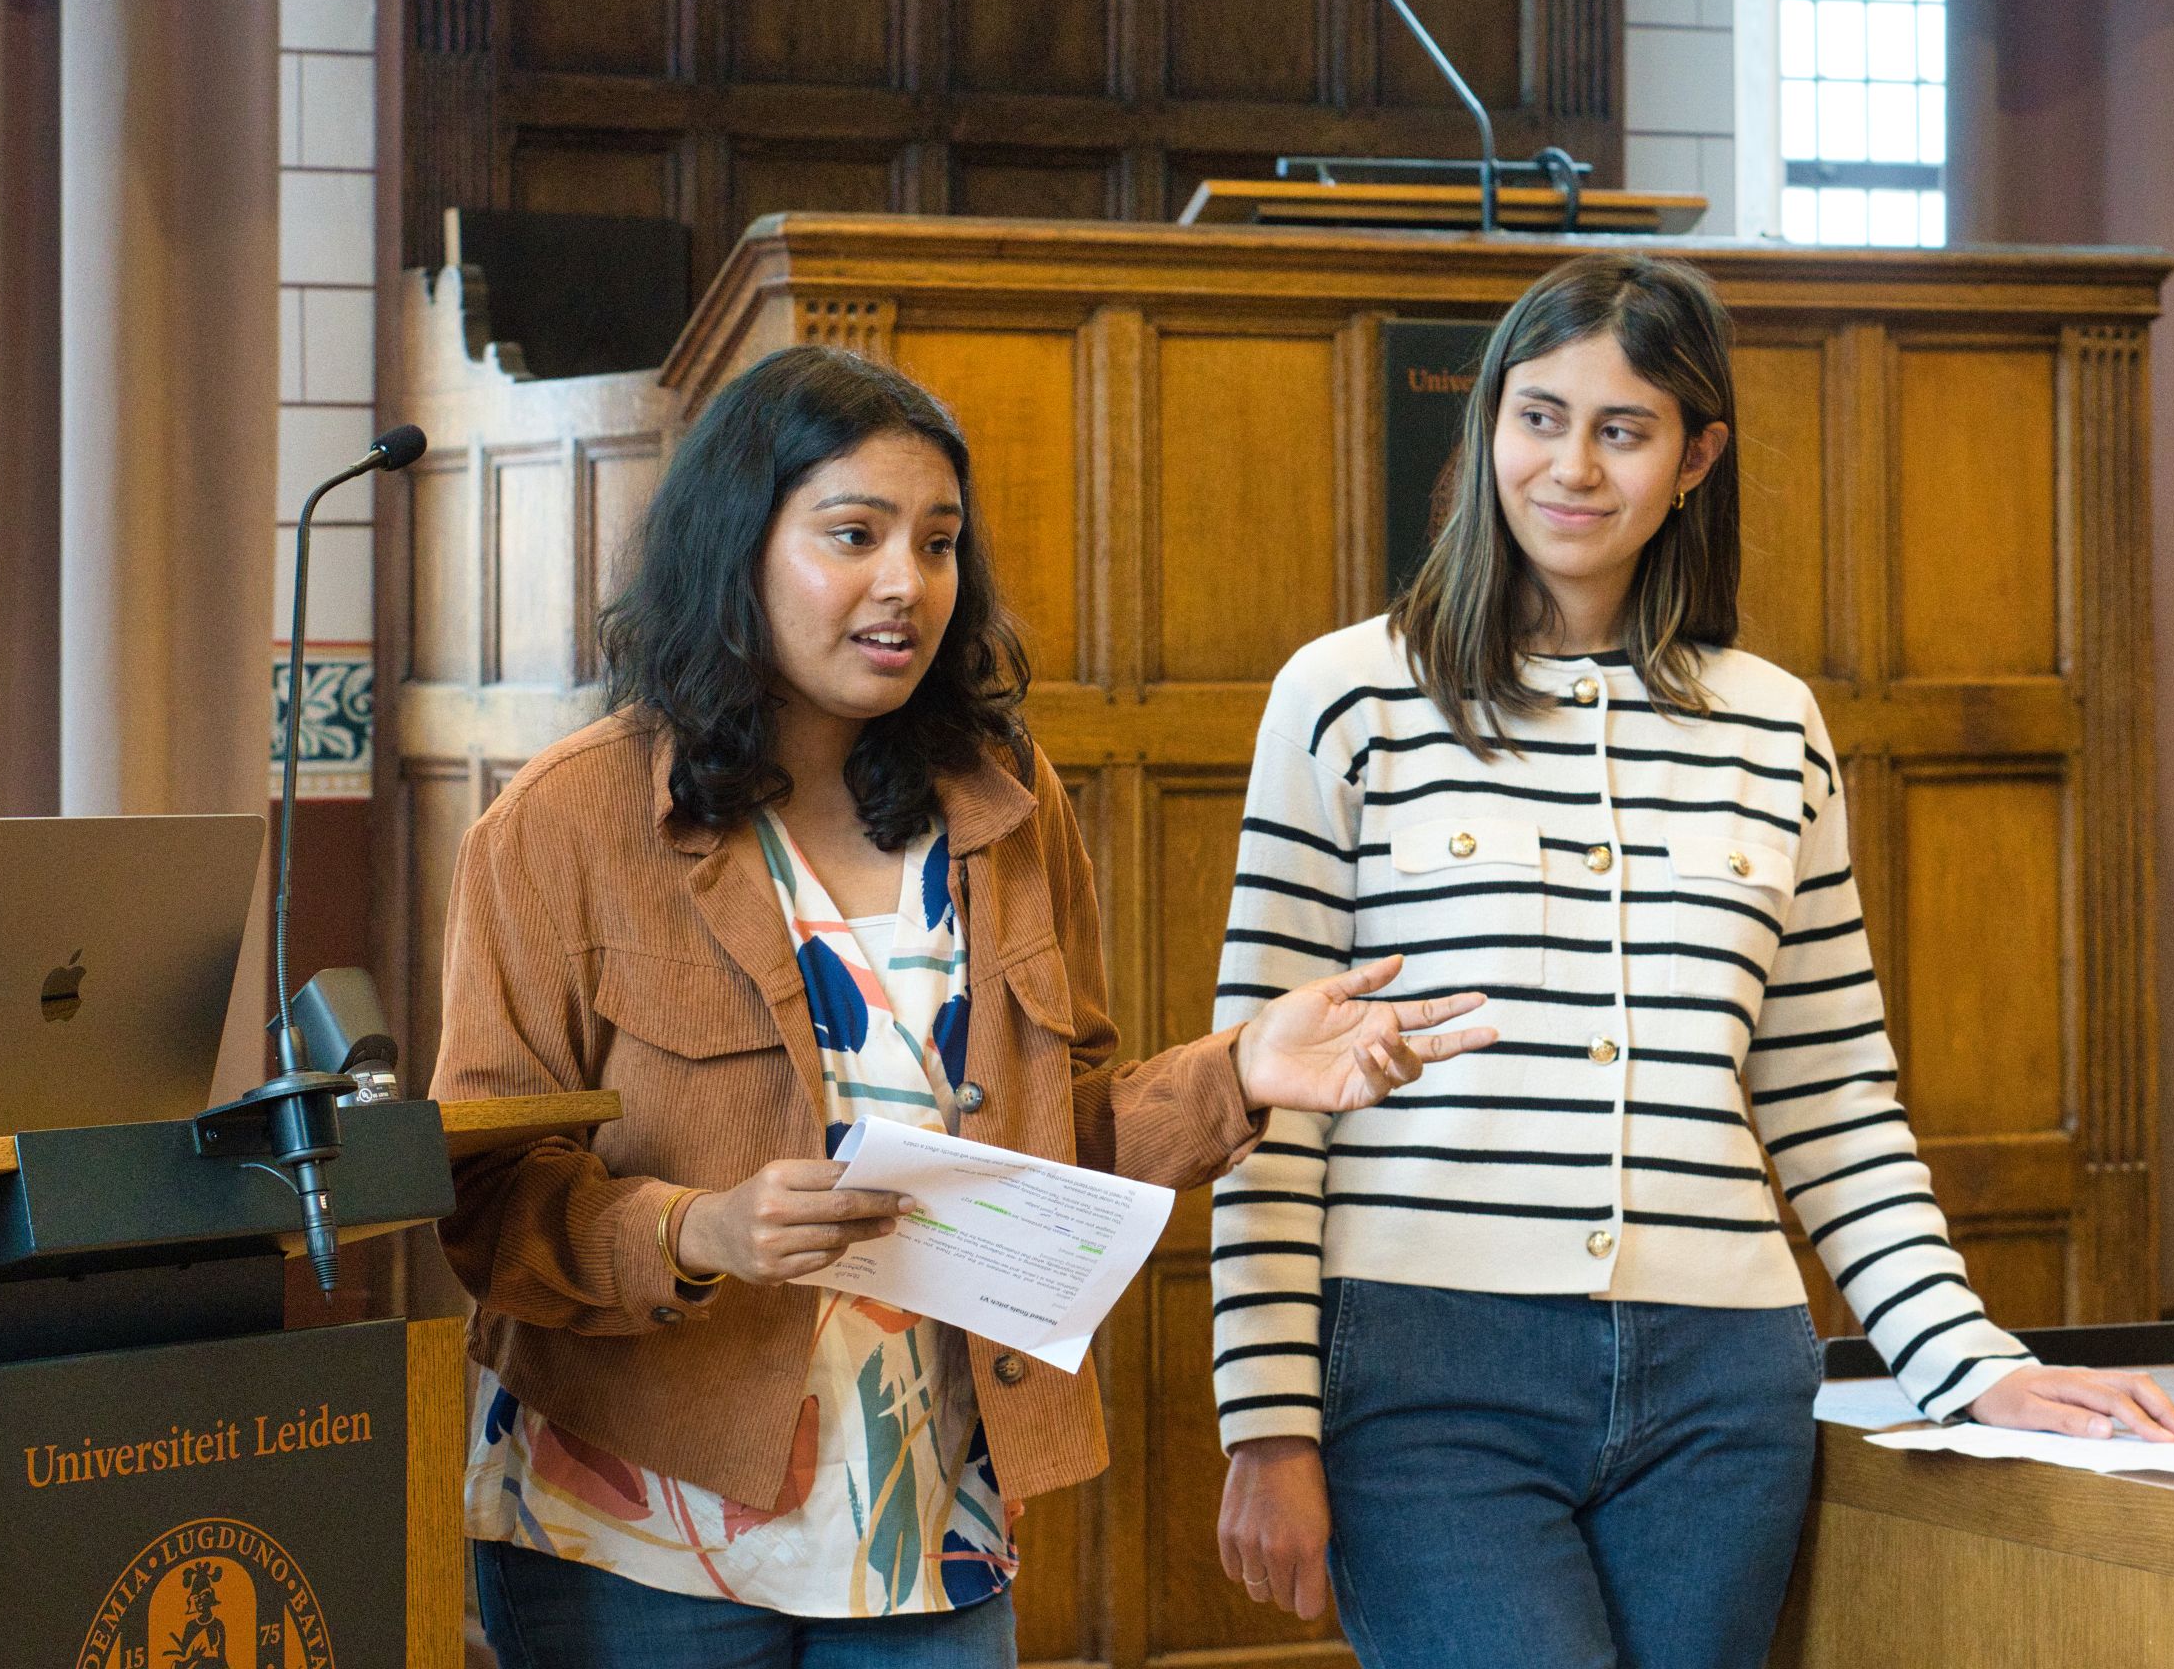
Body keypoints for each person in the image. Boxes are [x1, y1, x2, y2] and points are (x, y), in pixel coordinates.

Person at [428, 345, 1495, 1669]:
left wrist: (1241, 1075)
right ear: (736, 550)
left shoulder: (1001, 802)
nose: (905, 584)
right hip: (641, 1521)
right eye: (853, 535)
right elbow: (479, 1197)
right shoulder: (564, 820)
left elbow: (1051, 1163)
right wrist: (694, 1229)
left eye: (937, 544)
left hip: (927, 1512)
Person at [1204, 251, 2174, 1669]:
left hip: (1724, 1384)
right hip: (1429, 1373)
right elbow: (1262, 1093)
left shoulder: (1774, 724)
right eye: (1539, 417)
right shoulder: (1348, 696)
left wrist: (1971, 1363)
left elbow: (1833, 1098)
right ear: (1486, 426)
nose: (1573, 467)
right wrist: (1270, 1424)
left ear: (1697, 454)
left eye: (1625, 429)